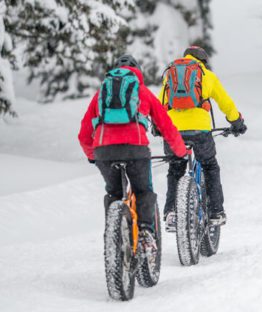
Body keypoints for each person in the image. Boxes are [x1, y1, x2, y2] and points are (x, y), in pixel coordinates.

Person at [78, 54, 188, 253]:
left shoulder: (102, 93)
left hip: (104, 150)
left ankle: (112, 239)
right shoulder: (142, 91)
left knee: (114, 193)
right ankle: (146, 232)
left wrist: (93, 156)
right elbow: (166, 126)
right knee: (143, 191)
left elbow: (84, 133)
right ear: (138, 72)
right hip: (135, 149)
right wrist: (180, 152)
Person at [158, 46, 246, 227]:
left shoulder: (170, 75)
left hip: (173, 131)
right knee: (209, 166)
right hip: (200, 131)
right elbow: (225, 103)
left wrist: (158, 127)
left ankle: (171, 212)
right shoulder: (206, 75)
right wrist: (236, 122)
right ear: (203, 61)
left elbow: (160, 103)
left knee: (175, 169)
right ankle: (216, 212)